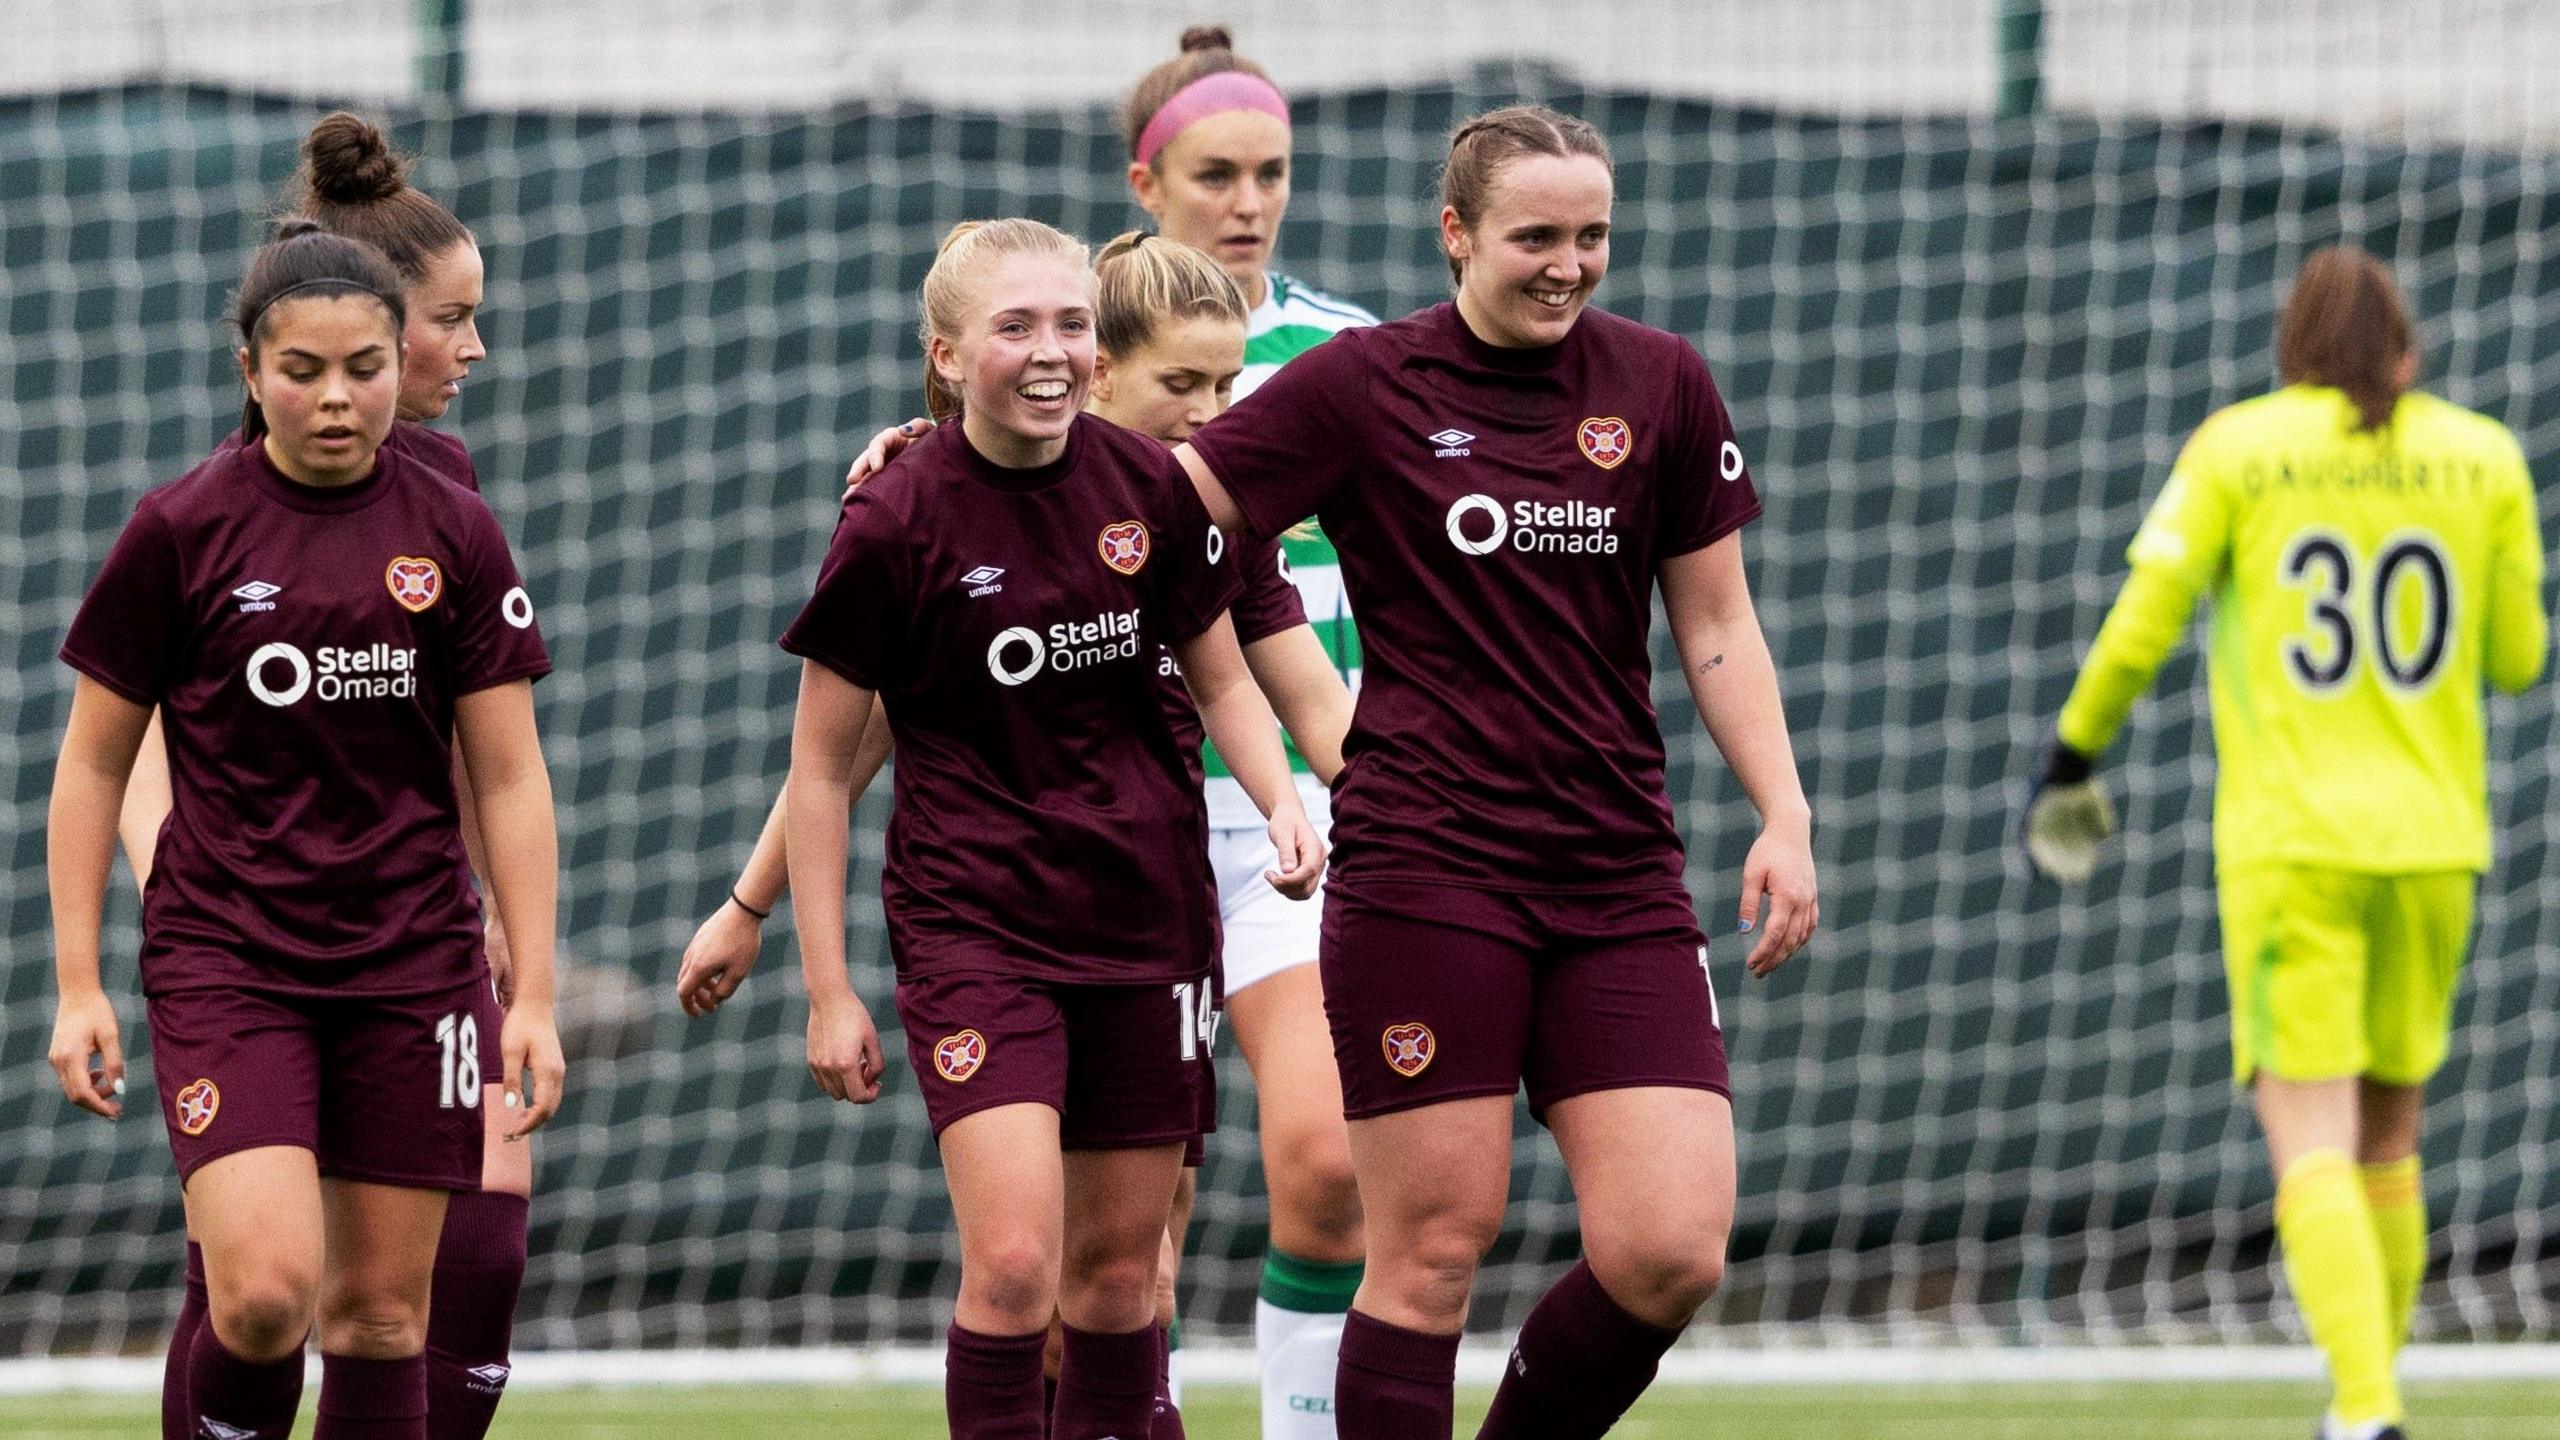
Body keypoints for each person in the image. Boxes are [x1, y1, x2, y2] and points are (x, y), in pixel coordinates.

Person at [1181, 103, 1813, 1438]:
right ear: (1456, 232)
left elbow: (1716, 624)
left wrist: (1784, 812)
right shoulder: (1365, 382)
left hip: (1616, 875)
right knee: (1430, 1256)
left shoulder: (1662, 383)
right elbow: (1169, 505)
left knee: (1670, 1249)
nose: (1568, 266)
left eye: (1593, 238)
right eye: (1536, 236)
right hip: (1426, 871)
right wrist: (939, 462)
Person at [823, 29, 1384, 1426]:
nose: (1250, 201)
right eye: (1218, 172)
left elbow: (1265, 668)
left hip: (1221, 844)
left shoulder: (1357, 364)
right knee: (1048, 1266)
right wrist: (762, 912)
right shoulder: (949, 475)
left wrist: (1360, 798)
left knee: (1270, 1185)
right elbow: (848, 743)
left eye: (1275, 172)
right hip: (1021, 877)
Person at [47, 221, 564, 1440]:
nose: (336, 398)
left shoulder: (458, 535)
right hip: (232, 961)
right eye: (302, 370)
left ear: (399, 362)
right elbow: (91, 760)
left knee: (383, 1320)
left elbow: (509, 777)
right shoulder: (179, 531)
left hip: (416, 966)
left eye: (364, 368)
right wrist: (78, 983)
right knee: (268, 1296)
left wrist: (530, 991)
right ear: (249, 371)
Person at [2025, 245, 2548, 1440]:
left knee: (2304, 1130)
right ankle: (2370, 1399)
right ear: (2407, 349)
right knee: (2390, 1134)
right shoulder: (2481, 456)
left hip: (2292, 846)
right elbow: (2518, 658)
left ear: (2290, 346)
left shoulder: (2242, 448)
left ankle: (2363, 1411)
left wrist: (2071, 759)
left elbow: (2141, 625)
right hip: (2434, 846)